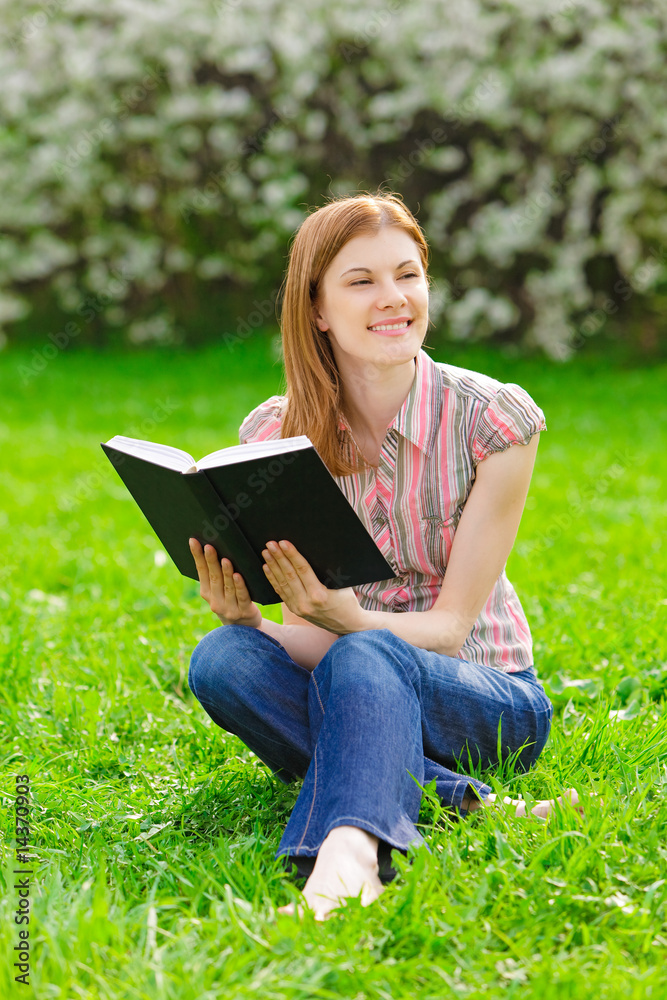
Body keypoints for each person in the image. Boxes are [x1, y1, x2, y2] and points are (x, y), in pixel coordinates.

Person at [187, 191, 581, 922]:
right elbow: (312, 643)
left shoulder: (493, 420)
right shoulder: (274, 434)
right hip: (352, 676)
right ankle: (465, 804)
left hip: (486, 698)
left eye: (407, 275)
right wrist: (254, 622)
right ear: (317, 310)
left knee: (362, 653)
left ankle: (348, 854)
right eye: (361, 281)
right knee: (222, 660)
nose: (393, 299)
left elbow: (450, 628)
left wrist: (345, 618)